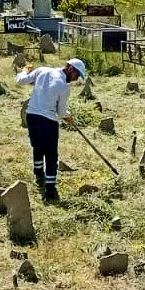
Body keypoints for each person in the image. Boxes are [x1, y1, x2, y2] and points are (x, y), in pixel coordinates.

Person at [16, 57, 87, 203]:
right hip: (48, 121)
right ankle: (49, 188)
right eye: (77, 75)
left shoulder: (42, 70)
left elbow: (20, 81)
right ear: (71, 69)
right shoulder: (64, 86)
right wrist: (67, 117)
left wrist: (24, 70)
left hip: (32, 116)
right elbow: (60, 112)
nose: (76, 79)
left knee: (37, 147)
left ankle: (38, 174)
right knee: (51, 154)